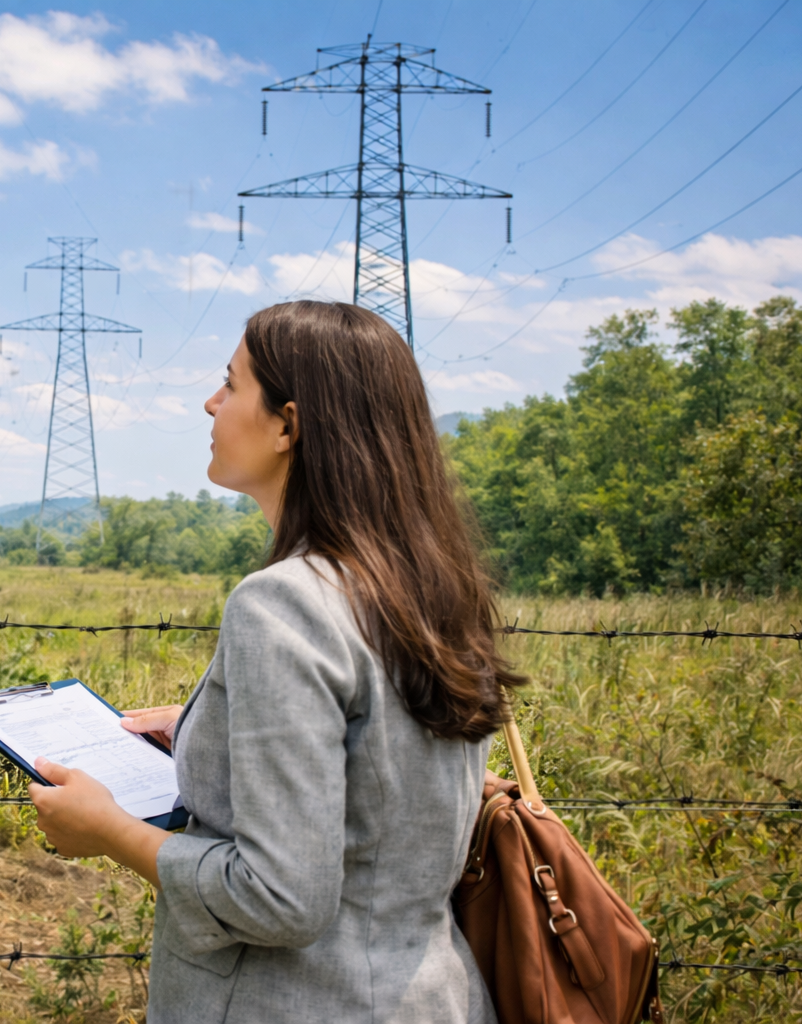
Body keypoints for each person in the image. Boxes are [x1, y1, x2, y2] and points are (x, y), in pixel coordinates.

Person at [29, 300, 521, 1023]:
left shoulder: (282, 602)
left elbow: (280, 897)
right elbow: (381, 770)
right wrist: (208, 730)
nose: (211, 402)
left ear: (288, 425)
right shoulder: (431, 589)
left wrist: (107, 830)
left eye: (231, 384)